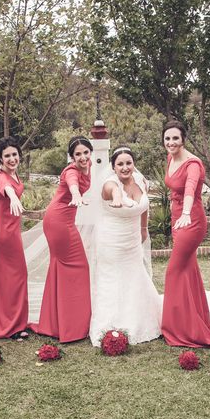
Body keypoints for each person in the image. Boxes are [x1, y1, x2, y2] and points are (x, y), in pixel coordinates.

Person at [88, 147, 162, 346]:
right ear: (113, 167)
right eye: (120, 164)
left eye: (128, 163)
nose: (125, 167)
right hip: (111, 241)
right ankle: (110, 325)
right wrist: (119, 198)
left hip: (132, 240)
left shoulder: (141, 181)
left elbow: (145, 205)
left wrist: (144, 228)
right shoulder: (109, 184)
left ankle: (138, 320)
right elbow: (114, 192)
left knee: (134, 276)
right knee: (113, 280)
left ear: (133, 164)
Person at [161, 121, 210, 347]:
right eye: (167, 138)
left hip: (191, 220)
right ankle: (193, 322)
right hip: (178, 219)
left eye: (175, 138)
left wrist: (185, 213)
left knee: (173, 271)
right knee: (187, 270)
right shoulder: (170, 158)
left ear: (183, 139)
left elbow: (190, 189)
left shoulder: (192, 164)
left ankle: (175, 328)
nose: (171, 143)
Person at [30, 136, 92, 342]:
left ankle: (57, 323)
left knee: (61, 268)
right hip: (59, 222)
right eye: (78, 154)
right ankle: (72, 326)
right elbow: (73, 184)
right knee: (78, 266)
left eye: (85, 152)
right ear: (71, 157)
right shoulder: (71, 171)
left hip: (61, 220)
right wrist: (76, 195)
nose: (83, 157)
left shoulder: (88, 165)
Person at [0, 137, 29, 339]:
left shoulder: (15, 173)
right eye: (7, 155)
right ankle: (9, 325)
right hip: (3, 230)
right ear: (0, 158)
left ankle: (14, 322)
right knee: (13, 275)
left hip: (12, 229)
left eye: (14, 154)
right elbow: (5, 187)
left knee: (12, 275)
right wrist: (13, 196)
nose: (12, 158)